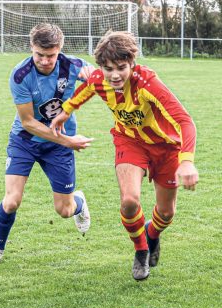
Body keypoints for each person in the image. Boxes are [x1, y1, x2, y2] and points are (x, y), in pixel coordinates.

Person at [50, 31, 199, 281]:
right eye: (108, 69)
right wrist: (65, 112)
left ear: (132, 63)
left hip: (166, 147)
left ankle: (152, 235)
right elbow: (85, 90)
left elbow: (185, 121)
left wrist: (186, 162)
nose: (115, 75)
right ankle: (141, 250)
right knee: (129, 201)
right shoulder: (99, 79)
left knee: (166, 213)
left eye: (121, 68)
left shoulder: (147, 83)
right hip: (129, 142)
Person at [0, 23, 94, 268]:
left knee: (64, 210)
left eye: (51, 55)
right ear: (31, 47)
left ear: (60, 49)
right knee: (11, 201)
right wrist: (69, 141)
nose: (44, 61)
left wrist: (94, 76)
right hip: (25, 141)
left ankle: (79, 203)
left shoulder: (73, 66)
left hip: (58, 146)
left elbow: (102, 79)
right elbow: (28, 122)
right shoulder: (20, 75)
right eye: (39, 54)